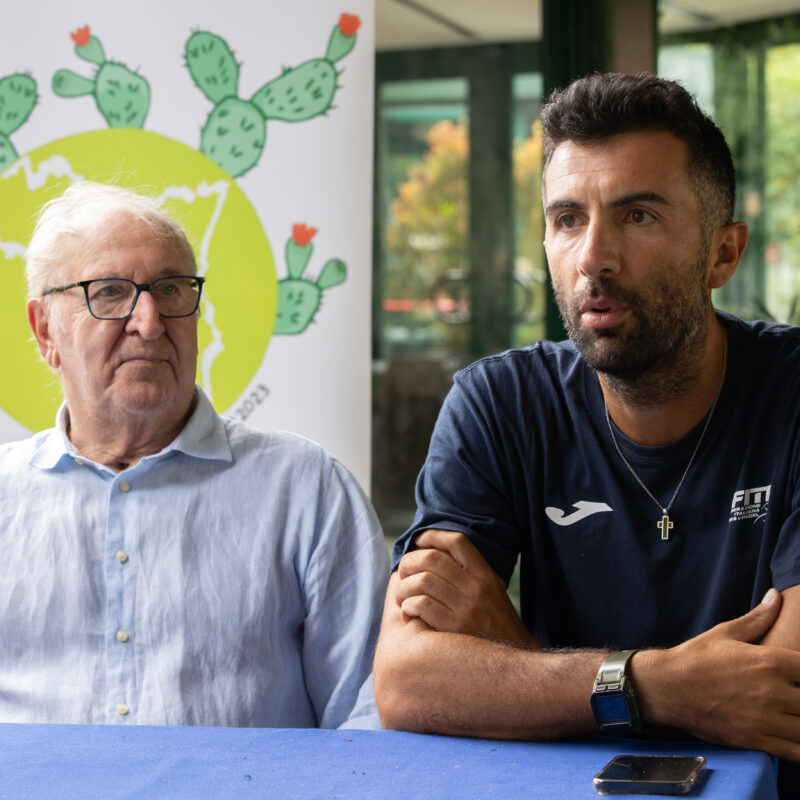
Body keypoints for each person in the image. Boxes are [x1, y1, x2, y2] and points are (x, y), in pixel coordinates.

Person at [373, 72, 800, 785]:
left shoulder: (789, 392)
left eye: (638, 216)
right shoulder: (499, 403)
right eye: (568, 219)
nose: (593, 258)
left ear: (723, 253)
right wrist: (658, 686)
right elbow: (407, 682)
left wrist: (512, 653)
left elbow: (779, 693)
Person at [0, 181, 388, 729]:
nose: (150, 321)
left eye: (171, 289)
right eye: (109, 292)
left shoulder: (306, 490)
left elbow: (368, 717)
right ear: (46, 332)